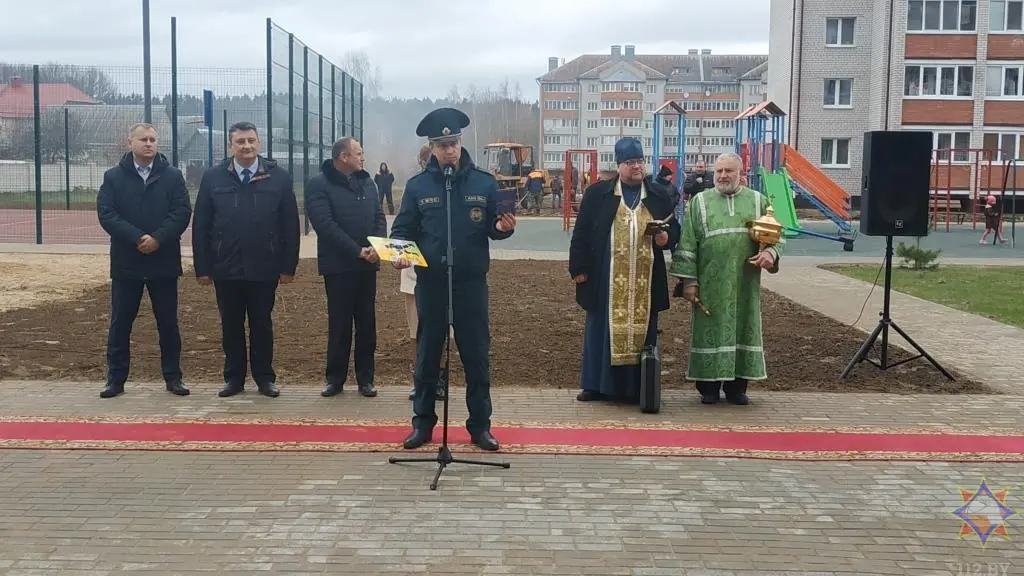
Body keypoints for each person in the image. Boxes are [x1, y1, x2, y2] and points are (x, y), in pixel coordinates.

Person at [391, 107, 517, 451]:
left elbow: (494, 226)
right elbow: (402, 230)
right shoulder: (418, 187)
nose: (450, 150)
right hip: (431, 284)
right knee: (428, 356)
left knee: (476, 356)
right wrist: (400, 253)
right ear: (432, 147)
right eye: (443, 144)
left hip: (470, 284)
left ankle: (480, 427)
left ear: (461, 143)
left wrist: (503, 228)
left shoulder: (483, 182)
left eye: (454, 142)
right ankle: (423, 425)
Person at [192, 121, 301, 399]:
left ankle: (265, 378)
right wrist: (202, 267)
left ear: (259, 143)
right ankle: (234, 378)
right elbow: (201, 225)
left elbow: (289, 224)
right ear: (231, 146)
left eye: (251, 140)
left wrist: (288, 266)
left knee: (261, 323)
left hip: (264, 266)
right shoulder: (213, 178)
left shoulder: (278, 177)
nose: (247, 146)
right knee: (230, 324)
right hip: (225, 267)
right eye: (240, 142)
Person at [569, 138, 680, 404]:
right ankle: (595, 385)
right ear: (619, 165)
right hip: (605, 278)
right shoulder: (598, 194)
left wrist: (666, 239)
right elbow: (582, 233)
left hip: (645, 279)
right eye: (630, 163)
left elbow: (674, 230)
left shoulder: (658, 195)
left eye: (640, 161)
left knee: (643, 333)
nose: (636, 167)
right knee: (600, 330)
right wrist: (579, 269)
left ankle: (639, 388)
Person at [669, 152, 783, 406]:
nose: (723, 176)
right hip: (710, 282)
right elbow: (688, 243)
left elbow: (777, 236)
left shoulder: (758, 201)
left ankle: (736, 388)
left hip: (745, 282)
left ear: (740, 173)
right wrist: (689, 281)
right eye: (719, 171)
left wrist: (770, 253)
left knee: (743, 328)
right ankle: (708, 388)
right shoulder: (698, 202)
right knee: (709, 330)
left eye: (729, 171)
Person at [96, 122, 192, 399]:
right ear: (130, 143)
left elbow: (181, 212)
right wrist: (138, 238)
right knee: (121, 323)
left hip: (163, 261)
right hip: (128, 262)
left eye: (152, 139)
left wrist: (158, 239)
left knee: (168, 323)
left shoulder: (173, 177)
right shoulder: (113, 177)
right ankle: (115, 380)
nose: (148, 143)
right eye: (143, 139)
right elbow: (107, 213)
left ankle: (173, 378)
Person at [305, 137, 386, 398]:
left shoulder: (367, 181)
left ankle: (366, 378)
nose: (363, 157)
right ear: (343, 157)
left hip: (368, 265)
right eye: (358, 153)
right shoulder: (319, 184)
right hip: (338, 266)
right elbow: (325, 224)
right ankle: (335, 379)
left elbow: (378, 217)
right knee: (340, 324)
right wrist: (356, 250)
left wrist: (377, 247)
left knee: (367, 323)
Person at [404, 144, 447, 402]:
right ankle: (419, 379)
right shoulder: (415, 188)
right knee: (417, 331)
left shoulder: (454, 189)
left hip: (443, 273)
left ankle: (438, 378)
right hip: (414, 272)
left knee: (443, 332)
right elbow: (403, 228)